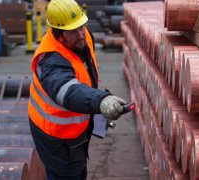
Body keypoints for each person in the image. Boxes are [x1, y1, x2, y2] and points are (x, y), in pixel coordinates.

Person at [27, 0, 127, 179]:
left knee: (79, 170)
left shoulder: (82, 37)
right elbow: (68, 91)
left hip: (75, 128)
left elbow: (85, 69)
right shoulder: (50, 60)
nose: (82, 34)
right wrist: (100, 100)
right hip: (55, 135)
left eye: (82, 26)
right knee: (66, 174)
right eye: (73, 31)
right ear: (59, 34)